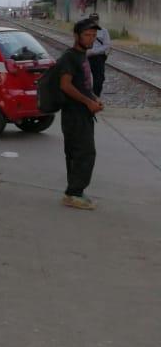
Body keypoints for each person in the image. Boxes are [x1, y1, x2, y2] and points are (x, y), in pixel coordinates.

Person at [56, 18, 104, 210]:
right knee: (84, 153)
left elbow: (83, 84)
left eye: (93, 35)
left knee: (78, 153)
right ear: (76, 36)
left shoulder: (83, 55)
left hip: (83, 111)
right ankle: (74, 193)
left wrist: (94, 98)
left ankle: (74, 191)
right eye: (87, 35)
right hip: (73, 113)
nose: (91, 39)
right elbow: (65, 85)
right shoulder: (70, 57)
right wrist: (87, 102)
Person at [86, 13, 111, 98]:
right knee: (83, 79)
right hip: (86, 58)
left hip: (98, 58)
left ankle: (95, 97)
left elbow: (107, 45)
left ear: (98, 20)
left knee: (99, 79)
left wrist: (94, 51)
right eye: (92, 20)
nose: (94, 22)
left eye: (95, 20)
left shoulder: (104, 31)